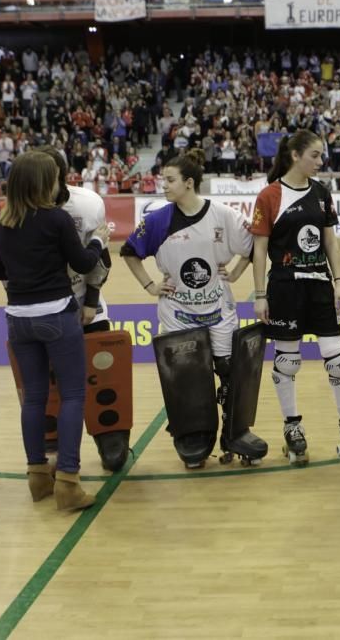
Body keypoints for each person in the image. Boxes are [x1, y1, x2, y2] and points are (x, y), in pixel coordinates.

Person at [121, 149, 263, 467]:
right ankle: (194, 438)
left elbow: (256, 244)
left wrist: (239, 271)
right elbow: (129, 251)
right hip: (176, 312)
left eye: (169, 180)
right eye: (163, 180)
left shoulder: (223, 216)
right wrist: (150, 286)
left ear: (188, 183)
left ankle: (234, 433)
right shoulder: (157, 220)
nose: (164, 186)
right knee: (186, 380)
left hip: (219, 310)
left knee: (229, 374)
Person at [0, 151, 109, 511]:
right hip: (56, 315)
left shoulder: (0, 224)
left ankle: (38, 477)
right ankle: (68, 481)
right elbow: (84, 262)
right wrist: (99, 240)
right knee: (72, 396)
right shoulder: (56, 219)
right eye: (54, 177)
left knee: (35, 397)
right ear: (43, 182)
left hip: (17, 319)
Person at [250, 129, 340, 465]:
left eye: (320, 155)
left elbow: (330, 241)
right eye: (314, 155)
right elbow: (259, 249)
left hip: (319, 285)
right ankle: (292, 427)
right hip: (284, 287)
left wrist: (339, 282)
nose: (320, 161)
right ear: (295, 155)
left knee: (339, 359)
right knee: (288, 360)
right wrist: (260, 295)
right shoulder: (269, 196)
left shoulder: (321, 192)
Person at [34, 146, 129, 471]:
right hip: (43, 308)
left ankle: (110, 436)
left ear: (63, 177)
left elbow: (101, 258)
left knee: (103, 373)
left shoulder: (88, 204)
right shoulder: (21, 207)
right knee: (49, 378)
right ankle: (50, 437)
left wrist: (90, 301)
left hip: (84, 302)